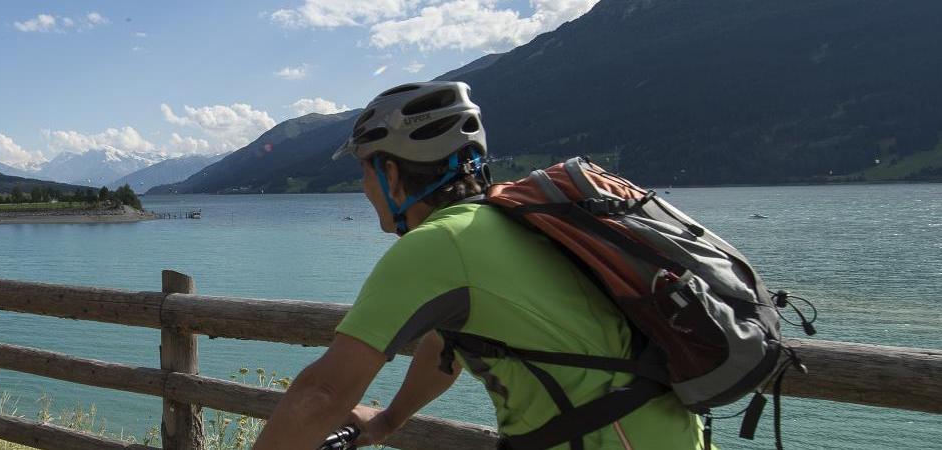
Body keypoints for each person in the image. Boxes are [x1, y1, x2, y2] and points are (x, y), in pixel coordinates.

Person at [252, 82, 706, 449]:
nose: (365, 187)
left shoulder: (439, 244)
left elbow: (322, 395)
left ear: (391, 174)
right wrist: (388, 421)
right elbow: (444, 347)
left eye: (366, 172)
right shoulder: (503, 222)